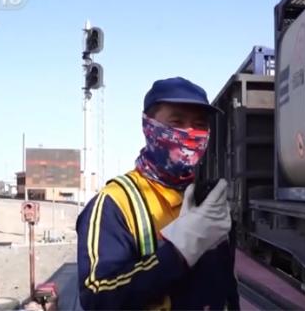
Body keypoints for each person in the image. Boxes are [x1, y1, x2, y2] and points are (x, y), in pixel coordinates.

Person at [76, 77, 239, 310]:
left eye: (200, 124)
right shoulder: (114, 203)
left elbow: (226, 286)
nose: (190, 133)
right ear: (148, 126)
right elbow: (96, 296)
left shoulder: (208, 199)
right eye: (177, 122)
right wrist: (178, 252)